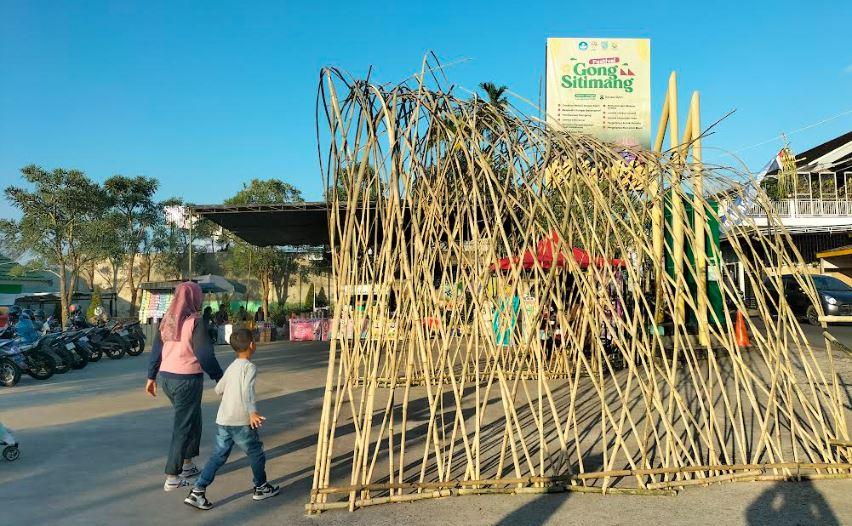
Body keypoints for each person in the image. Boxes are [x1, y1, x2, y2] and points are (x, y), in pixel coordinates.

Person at [183, 328, 279, 510]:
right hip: (241, 421)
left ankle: (198, 490)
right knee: (256, 453)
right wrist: (252, 412)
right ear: (251, 345)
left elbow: (219, 389)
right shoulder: (250, 367)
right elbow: (247, 391)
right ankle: (261, 487)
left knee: (218, 456)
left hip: (223, 420)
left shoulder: (232, 366)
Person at [146, 281, 223, 492]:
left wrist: (151, 377)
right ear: (194, 298)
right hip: (186, 380)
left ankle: (187, 464)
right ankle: (172, 475)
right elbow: (205, 354)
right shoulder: (195, 321)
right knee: (183, 425)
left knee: (192, 419)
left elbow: (156, 350)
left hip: (168, 379)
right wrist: (220, 377)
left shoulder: (168, 321)